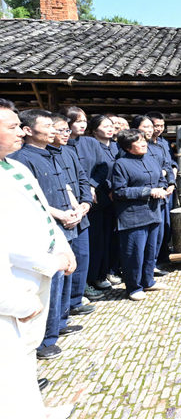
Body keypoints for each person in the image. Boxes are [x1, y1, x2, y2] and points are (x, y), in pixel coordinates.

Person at [0, 99, 76, 418]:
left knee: (25, 354)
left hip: (37, 274)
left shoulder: (14, 167)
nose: (21, 131)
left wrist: (63, 247)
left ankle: (33, 411)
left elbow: (42, 213)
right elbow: (7, 240)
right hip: (13, 284)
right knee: (9, 360)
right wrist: (50, 262)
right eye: (12, 126)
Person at [9, 110, 94, 361]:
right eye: (49, 126)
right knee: (51, 283)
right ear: (29, 130)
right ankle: (45, 339)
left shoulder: (52, 153)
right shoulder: (22, 159)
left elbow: (66, 185)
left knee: (66, 276)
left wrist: (77, 207)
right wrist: (60, 215)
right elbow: (35, 200)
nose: (55, 131)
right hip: (49, 226)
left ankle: (60, 322)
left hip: (69, 219)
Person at [110, 129, 169, 301]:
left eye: (143, 140)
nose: (144, 143)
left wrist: (162, 188)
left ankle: (148, 281)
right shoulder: (120, 164)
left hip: (153, 211)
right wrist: (149, 191)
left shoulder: (151, 159)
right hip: (133, 216)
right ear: (128, 147)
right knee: (134, 252)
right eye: (138, 141)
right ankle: (133, 287)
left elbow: (161, 179)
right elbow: (119, 191)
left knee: (151, 250)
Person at [48, 113, 95, 315]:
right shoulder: (40, 155)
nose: (66, 134)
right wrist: (65, 214)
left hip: (80, 215)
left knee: (81, 258)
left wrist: (85, 203)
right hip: (60, 219)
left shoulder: (70, 152)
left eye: (68, 130)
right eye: (62, 130)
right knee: (63, 265)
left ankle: (74, 302)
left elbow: (82, 179)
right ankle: (59, 312)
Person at [77, 115, 121, 293]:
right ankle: (93, 277)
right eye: (105, 126)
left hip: (115, 198)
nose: (110, 129)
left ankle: (107, 271)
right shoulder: (90, 146)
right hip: (97, 198)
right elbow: (98, 171)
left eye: (112, 126)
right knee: (95, 240)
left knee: (109, 238)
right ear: (94, 130)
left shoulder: (116, 146)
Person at [145, 112, 178, 267]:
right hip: (154, 188)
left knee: (167, 223)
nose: (158, 129)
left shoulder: (164, 142)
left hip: (168, 187)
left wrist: (173, 175)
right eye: (155, 125)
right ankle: (154, 260)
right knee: (155, 224)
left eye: (161, 126)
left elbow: (171, 162)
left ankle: (164, 254)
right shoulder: (144, 145)